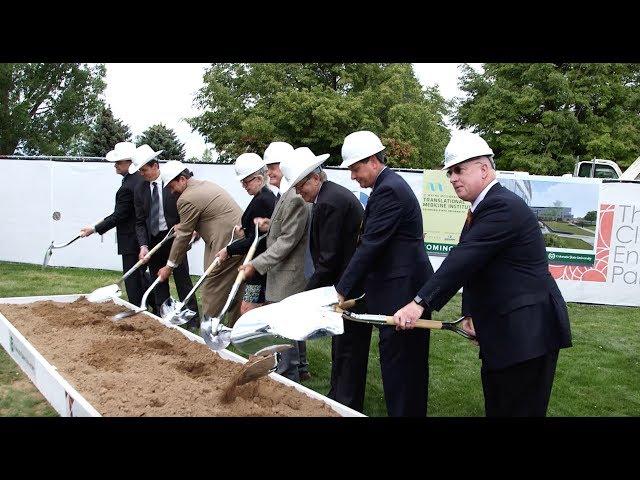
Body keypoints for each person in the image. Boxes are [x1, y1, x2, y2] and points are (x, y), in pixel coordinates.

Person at [392, 132, 572, 417]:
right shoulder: (482, 209)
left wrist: (419, 303)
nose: (452, 178)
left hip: (527, 335)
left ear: (484, 169)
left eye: (459, 170)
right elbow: (475, 268)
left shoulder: (501, 206)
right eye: (450, 172)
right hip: (506, 332)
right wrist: (471, 314)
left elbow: (464, 259)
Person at [335, 131, 434, 417]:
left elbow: (371, 245)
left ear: (373, 161)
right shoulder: (387, 186)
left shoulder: (389, 189)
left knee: (402, 368)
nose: (353, 176)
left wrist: (340, 291)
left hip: (402, 293)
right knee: (403, 367)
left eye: (355, 169)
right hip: (397, 288)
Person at [283, 146, 368, 411]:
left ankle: (345, 404)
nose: (298, 192)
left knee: (348, 348)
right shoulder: (327, 197)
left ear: (315, 178)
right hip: (344, 283)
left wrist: (305, 296)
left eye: (300, 186)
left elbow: (328, 259)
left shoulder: (330, 202)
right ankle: (338, 396)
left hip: (349, 287)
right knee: (341, 345)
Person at [239, 142, 311, 383]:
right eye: (268, 167)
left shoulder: (294, 197)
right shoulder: (286, 194)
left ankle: (288, 377)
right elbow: (284, 231)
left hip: (288, 273)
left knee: (285, 324)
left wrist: (256, 264)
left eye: (274, 167)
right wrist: (270, 226)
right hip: (283, 270)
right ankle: (299, 368)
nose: (270, 172)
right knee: (292, 322)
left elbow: (288, 241)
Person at [157, 161, 244, 325]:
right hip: (237, 237)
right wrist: (195, 230)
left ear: (182, 179)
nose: (170, 191)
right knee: (236, 287)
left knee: (212, 285)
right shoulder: (203, 185)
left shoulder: (186, 198)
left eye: (171, 186)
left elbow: (183, 236)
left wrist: (169, 266)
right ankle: (234, 328)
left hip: (226, 240)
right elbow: (210, 215)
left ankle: (209, 332)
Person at [129, 144, 199, 324]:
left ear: (155, 166)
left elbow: (188, 210)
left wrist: (187, 230)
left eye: (144, 170)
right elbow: (140, 221)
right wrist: (143, 245)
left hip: (175, 239)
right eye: (139, 171)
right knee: (158, 280)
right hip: (153, 241)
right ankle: (164, 318)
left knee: (182, 279)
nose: (142, 174)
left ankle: (192, 319)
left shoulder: (172, 184)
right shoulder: (140, 189)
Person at [80, 142, 146, 307]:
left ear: (129, 162)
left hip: (132, 239)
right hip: (141, 237)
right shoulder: (138, 180)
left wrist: (94, 229)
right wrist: (96, 225)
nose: (115, 165)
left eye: (119, 162)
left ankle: (136, 308)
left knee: (132, 278)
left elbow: (120, 215)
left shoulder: (128, 186)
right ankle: (150, 306)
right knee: (140, 275)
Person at [215, 153, 276, 314]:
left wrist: (229, 250)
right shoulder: (263, 197)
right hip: (259, 264)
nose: (244, 185)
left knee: (248, 309)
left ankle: (258, 336)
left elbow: (257, 239)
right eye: (242, 181)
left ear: (258, 179)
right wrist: (244, 230)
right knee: (253, 308)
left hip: (259, 266)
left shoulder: (263, 200)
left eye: (246, 181)